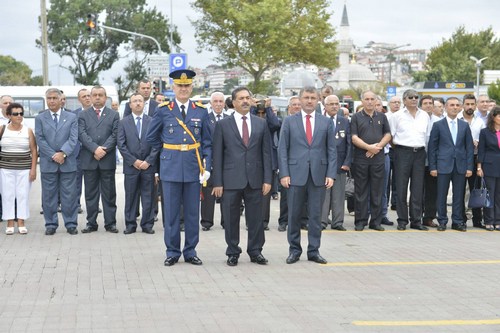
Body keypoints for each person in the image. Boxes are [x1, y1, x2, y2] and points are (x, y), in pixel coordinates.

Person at [146, 69, 212, 267]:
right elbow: (151, 137)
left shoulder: (201, 110)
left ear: (192, 87)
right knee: (172, 213)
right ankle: (172, 252)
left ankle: (190, 251)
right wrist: (165, 154)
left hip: (193, 167)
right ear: (173, 88)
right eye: (180, 86)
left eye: (187, 86)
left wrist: (207, 166)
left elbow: (207, 141)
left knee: (192, 213)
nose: (183, 89)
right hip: (171, 167)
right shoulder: (163, 109)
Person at [212, 87, 272, 266]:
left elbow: (266, 154)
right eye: (241, 98)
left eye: (248, 98)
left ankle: (255, 251)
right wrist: (218, 182)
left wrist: (268, 179)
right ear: (234, 102)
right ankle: (232, 252)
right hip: (231, 179)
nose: (245, 101)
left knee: (256, 218)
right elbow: (217, 155)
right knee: (231, 218)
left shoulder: (261, 123)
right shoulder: (222, 124)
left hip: (255, 178)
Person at [278, 86, 336, 265]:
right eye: (306, 98)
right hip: (295, 175)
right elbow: (282, 150)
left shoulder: (325, 122)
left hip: (319, 175)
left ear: (318, 100)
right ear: (300, 100)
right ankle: (294, 250)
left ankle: (314, 251)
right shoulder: (289, 121)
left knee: (316, 216)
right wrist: (284, 173)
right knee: (294, 214)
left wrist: (331, 174)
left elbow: (331, 150)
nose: (309, 101)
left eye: (312, 98)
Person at [35, 88, 79, 235]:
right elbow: (40, 139)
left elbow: (73, 139)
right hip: (49, 163)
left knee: (69, 196)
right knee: (48, 196)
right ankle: (51, 224)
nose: (51, 101)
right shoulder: (40, 118)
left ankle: (71, 224)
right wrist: (54, 155)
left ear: (61, 100)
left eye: (54, 98)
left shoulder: (71, 117)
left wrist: (63, 153)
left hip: (68, 163)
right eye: (49, 98)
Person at [428, 97, 474, 232]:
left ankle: (457, 221)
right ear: (446, 107)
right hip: (443, 165)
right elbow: (432, 147)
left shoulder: (464, 125)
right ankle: (442, 220)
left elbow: (469, 148)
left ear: (460, 108)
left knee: (459, 195)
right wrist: (433, 166)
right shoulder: (438, 125)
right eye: (451, 105)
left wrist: (469, 167)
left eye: (457, 105)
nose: (454, 107)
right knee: (441, 195)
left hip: (460, 165)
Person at [78, 86, 120, 234]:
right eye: (94, 95)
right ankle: (91, 223)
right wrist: (95, 149)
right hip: (89, 160)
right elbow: (81, 134)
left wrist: (103, 149)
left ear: (105, 97)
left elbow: (115, 135)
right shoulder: (83, 115)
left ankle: (110, 224)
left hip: (106, 160)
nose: (97, 97)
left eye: (100, 95)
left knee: (109, 194)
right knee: (90, 194)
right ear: (90, 96)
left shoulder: (113, 115)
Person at [117, 93, 159, 235]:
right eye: (134, 101)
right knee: (131, 196)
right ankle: (130, 224)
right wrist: (133, 161)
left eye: (140, 101)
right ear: (130, 105)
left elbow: (157, 144)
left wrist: (148, 161)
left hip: (148, 167)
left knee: (148, 197)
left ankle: (147, 224)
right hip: (131, 167)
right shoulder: (123, 122)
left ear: (144, 104)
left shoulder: (152, 121)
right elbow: (121, 145)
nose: (138, 103)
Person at [350, 90, 392, 231]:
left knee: (377, 191)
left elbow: (388, 134)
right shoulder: (356, 117)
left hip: (378, 159)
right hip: (361, 159)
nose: (369, 101)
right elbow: (354, 137)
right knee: (361, 191)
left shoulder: (382, 116)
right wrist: (368, 147)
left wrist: (377, 147)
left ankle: (376, 221)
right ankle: (360, 221)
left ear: (376, 101)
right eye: (366, 99)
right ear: (362, 101)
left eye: (372, 99)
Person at [389, 89, 429, 231]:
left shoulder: (424, 115)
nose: (414, 99)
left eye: (416, 97)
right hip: (402, 152)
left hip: (419, 152)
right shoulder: (397, 116)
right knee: (401, 187)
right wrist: (400, 149)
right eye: (410, 97)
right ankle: (402, 220)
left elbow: (427, 136)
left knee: (417, 188)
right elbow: (391, 137)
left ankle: (416, 220)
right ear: (404, 100)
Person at [0, 103, 37, 235]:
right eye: (15, 114)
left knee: (22, 195)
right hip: (5, 168)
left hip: (24, 169)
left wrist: (33, 170)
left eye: (21, 113)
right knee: (7, 195)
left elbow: (34, 151)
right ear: (9, 115)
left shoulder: (28, 130)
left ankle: (21, 222)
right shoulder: (2, 129)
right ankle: (10, 223)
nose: (19, 116)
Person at [277, 96, 308, 232]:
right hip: (289, 165)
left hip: (304, 165)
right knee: (286, 197)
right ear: (289, 107)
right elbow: (282, 146)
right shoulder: (285, 121)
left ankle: (303, 220)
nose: (296, 107)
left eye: (298, 104)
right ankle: (284, 221)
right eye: (294, 104)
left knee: (304, 196)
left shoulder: (306, 121)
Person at [320, 95, 351, 231]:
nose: (334, 106)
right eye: (331, 104)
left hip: (340, 164)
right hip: (323, 164)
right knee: (323, 195)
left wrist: (347, 162)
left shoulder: (344, 121)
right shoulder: (319, 120)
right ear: (325, 106)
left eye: (336, 104)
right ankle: (321, 221)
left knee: (339, 195)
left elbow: (349, 144)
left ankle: (337, 222)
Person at [458, 94, 486, 228]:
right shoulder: (457, 119)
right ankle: (460, 219)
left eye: (472, 104)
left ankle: (477, 220)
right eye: (467, 104)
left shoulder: (480, 121)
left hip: (475, 159)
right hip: (460, 158)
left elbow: (484, 139)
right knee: (460, 190)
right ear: (463, 105)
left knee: (475, 189)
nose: (470, 107)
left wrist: (478, 142)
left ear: (475, 106)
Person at [200, 91, 226, 231]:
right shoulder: (206, 119)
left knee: (226, 193)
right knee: (208, 192)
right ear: (211, 103)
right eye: (215, 101)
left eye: (220, 101)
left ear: (224, 103)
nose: (218, 104)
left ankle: (226, 221)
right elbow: (205, 142)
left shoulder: (229, 118)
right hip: (209, 159)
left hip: (226, 161)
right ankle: (206, 222)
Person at [477, 107, 500, 230]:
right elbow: (481, 150)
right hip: (489, 166)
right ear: (493, 117)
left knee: (498, 195)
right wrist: (479, 166)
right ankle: (488, 220)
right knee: (489, 194)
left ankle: (498, 220)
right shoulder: (485, 132)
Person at [72, 88, 92, 214]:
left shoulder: (97, 113)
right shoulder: (73, 115)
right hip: (78, 153)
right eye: (84, 96)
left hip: (92, 153)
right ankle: (76, 204)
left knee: (92, 182)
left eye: (88, 95)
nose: (87, 98)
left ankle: (93, 205)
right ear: (79, 99)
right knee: (77, 181)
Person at [420, 95, 440, 228]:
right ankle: (416, 215)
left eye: (430, 103)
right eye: (425, 103)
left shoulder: (439, 121)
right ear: (420, 105)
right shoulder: (416, 119)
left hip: (433, 162)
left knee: (432, 191)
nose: (428, 105)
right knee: (417, 190)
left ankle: (429, 217)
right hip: (417, 159)